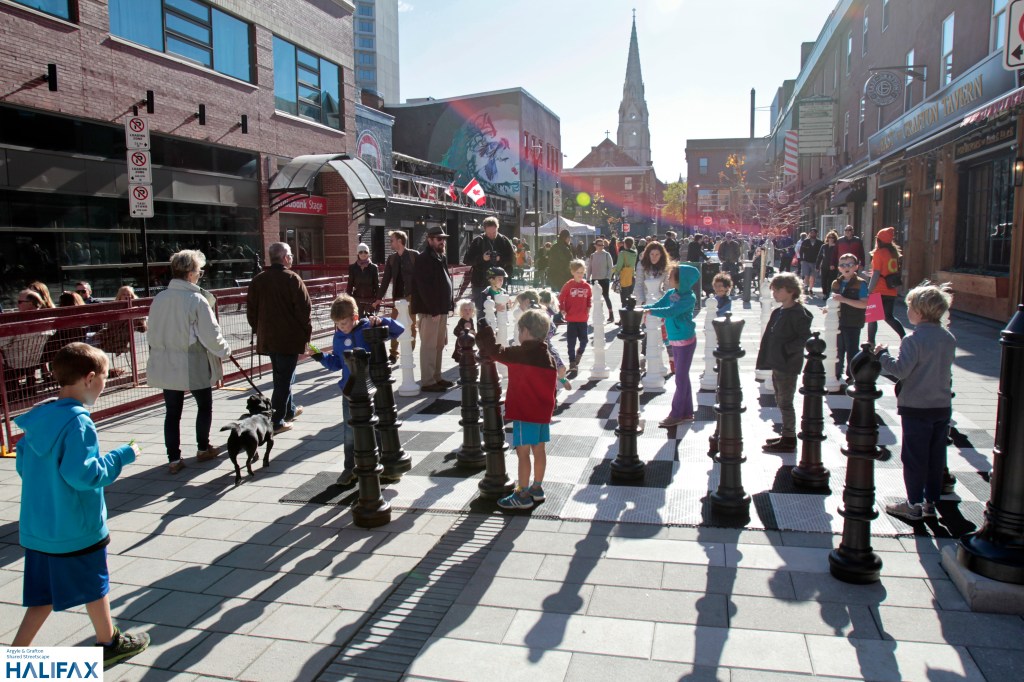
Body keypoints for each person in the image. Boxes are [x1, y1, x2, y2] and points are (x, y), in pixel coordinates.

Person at [12, 342, 150, 668]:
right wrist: (122, 456)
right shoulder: (78, 423)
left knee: (43, 594)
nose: (103, 384)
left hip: (39, 528)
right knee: (94, 584)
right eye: (104, 377)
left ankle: (16, 653)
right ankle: (109, 642)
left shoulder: (38, 419)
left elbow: (23, 467)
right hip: (76, 527)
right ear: (89, 378)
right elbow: (84, 475)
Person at [148, 250, 232, 474]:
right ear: (191, 273)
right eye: (199, 271)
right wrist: (225, 351)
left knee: (172, 411)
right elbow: (210, 335)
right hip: (192, 359)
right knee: (204, 405)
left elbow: (151, 331)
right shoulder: (196, 300)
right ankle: (203, 448)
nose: (200, 275)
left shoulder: (160, 298)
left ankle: (174, 459)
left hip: (166, 358)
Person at [878, 283, 956, 522]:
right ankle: (930, 503)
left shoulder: (913, 339)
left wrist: (882, 356)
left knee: (914, 458)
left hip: (916, 407)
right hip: (941, 406)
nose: (907, 311)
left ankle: (913, 504)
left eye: (909, 307)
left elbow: (901, 370)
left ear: (920, 312)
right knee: (935, 457)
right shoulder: (948, 338)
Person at [309, 294, 404, 484]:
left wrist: (381, 321)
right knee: (350, 431)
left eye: (344, 323)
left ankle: (382, 465)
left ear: (354, 317)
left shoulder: (368, 327)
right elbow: (336, 364)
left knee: (377, 427)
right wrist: (320, 357)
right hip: (350, 390)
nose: (341, 327)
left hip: (372, 388)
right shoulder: (338, 336)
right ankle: (350, 468)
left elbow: (398, 329)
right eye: (337, 324)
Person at [476, 310, 557, 510]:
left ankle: (522, 494)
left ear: (526, 331)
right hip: (542, 413)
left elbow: (495, 352)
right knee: (539, 450)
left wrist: (485, 330)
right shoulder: (548, 356)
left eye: (519, 331)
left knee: (523, 453)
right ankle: (537, 488)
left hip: (524, 412)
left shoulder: (521, 354)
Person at [247, 242, 312, 433]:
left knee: (282, 375)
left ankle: (289, 410)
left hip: (269, 339)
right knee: (283, 380)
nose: (292, 257)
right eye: (290, 254)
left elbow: (251, 312)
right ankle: (276, 421)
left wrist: (259, 330)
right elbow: (304, 311)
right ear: (285, 258)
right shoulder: (292, 279)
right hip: (288, 339)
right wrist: (306, 335)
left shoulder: (259, 280)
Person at [756, 273, 813, 453]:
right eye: (773, 290)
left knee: (786, 402)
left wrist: (786, 350)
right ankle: (786, 434)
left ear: (790, 291)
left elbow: (804, 337)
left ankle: (789, 438)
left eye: (777, 290)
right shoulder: (779, 311)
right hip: (778, 362)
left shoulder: (798, 313)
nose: (774, 293)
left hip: (788, 364)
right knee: (780, 400)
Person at [643, 263, 700, 427]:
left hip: (685, 341)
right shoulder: (671, 293)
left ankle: (676, 414)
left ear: (682, 280)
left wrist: (650, 311)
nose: (668, 277)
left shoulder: (689, 298)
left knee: (680, 378)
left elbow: (671, 311)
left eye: (672, 275)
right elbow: (659, 305)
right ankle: (686, 412)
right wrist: (643, 308)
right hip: (675, 339)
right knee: (683, 377)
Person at [412, 225, 454, 391]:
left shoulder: (440, 257)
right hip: (430, 311)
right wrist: (434, 309)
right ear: (429, 240)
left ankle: (436, 376)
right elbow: (423, 288)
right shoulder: (423, 259)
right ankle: (428, 381)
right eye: (439, 239)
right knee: (429, 346)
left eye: (443, 239)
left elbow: (445, 281)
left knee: (439, 345)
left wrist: (449, 304)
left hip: (441, 309)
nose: (442, 242)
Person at [1, 290, 55, 402]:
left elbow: (2, 343)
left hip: (13, 362)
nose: (17, 305)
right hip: (33, 360)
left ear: (30, 303)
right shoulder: (47, 321)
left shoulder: (19, 323)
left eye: (20, 302)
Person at [375, 230, 419, 365]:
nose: (390, 243)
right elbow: (386, 279)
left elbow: (422, 276)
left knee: (411, 325)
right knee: (394, 324)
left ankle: (409, 351)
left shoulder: (414, 255)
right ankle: (393, 354)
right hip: (397, 298)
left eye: (392, 240)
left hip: (411, 296)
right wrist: (379, 298)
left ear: (399, 241)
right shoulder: (391, 258)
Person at [515, 290, 569, 390]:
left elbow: (552, 329)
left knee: (561, 368)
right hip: (531, 349)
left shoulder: (541, 312)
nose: (519, 306)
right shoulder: (523, 314)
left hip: (546, 345)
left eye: (520, 303)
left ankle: (561, 378)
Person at [829, 254, 869, 384]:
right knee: (837, 350)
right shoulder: (836, 283)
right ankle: (836, 373)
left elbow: (864, 303)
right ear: (839, 268)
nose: (846, 267)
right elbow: (832, 300)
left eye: (850, 264)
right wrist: (828, 308)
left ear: (856, 267)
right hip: (838, 321)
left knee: (852, 350)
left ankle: (852, 375)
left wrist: (844, 300)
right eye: (843, 265)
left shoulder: (860, 283)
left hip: (853, 322)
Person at [866, 226, 907, 346]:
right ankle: (904, 337)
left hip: (878, 288)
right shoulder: (893, 253)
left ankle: (870, 342)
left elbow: (877, 273)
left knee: (872, 318)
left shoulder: (879, 253)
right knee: (889, 317)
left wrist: (869, 290)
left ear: (879, 240)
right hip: (891, 289)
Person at [465, 216, 515, 314]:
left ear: (498, 228)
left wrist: (500, 258)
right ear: (484, 230)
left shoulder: (504, 240)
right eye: (489, 233)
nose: (492, 235)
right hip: (480, 283)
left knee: (499, 313)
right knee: (482, 313)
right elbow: (467, 260)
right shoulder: (478, 241)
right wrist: (482, 258)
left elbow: (513, 260)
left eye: (494, 233)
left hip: (498, 283)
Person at [95, 286, 148, 378]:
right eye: (124, 294)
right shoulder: (114, 308)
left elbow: (143, 329)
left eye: (129, 294)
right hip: (110, 336)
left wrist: (139, 317)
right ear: (119, 296)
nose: (127, 296)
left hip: (118, 340)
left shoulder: (136, 309)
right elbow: (110, 326)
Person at [559, 260, 592, 373]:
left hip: (583, 318)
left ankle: (579, 353)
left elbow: (589, 298)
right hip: (572, 318)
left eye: (582, 272)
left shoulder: (586, 286)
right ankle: (572, 362)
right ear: (572, 272)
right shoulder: (568, 285)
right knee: (571, 342)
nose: (580, 274)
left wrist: (588, 306)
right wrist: (562, 309)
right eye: (578, 272)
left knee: (584, 341)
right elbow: (561, 297)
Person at [347, 242, 380, 318]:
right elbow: (350, 285)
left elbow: (376, 285)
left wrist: (377, 299)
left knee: (370, 321)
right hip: (357, 300)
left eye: (365, 252)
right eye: (361, 252)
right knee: (357, 321)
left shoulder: (374, 268)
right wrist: (349, 299)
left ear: (368, 253)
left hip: (370, 301)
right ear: (358, 254)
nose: (363, 254)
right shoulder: (352, 268)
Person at [587, 238, 615, 324]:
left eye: (602, 245)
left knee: (606, 297)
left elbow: (610, 267)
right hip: (595, 280)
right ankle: (599, 314)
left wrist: (608, 277)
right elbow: (589, 267)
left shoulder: (607, 255)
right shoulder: (592, 255)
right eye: (599, 245)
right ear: (595, 245)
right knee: (597, 298)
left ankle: (611, 314)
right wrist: (588, 278)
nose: (601, 246)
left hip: (604, 279)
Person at [612, 236, 638, 308]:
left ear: (625, 244)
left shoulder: (622, 253)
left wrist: (615, 273)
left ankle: (624, 313)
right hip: (632, 276)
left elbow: (619, 266)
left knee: (624, 299)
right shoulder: (635, 253)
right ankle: (630, 312)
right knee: (630, 297)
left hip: (624, 277)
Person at [798, 228, 823, 297]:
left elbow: (822, 253)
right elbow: (801, 251)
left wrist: (820, 262)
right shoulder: (805, 241)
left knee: (813, 276)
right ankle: (806, 288)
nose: (812, 234)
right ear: (809, 233)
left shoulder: (820, 243)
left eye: (814, 233)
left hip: (815, 262)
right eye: (811, 232)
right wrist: (801, 260)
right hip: (806, 261)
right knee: (806, 275)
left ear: (816, 233)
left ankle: (811, 289)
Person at [451, 299, 475, 364]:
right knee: (461, 354)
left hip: (469, 341)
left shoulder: (471, 320)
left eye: (470, 310)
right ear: (461, 311)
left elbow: (473, 329)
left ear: (472, 311)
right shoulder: (462, 321)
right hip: (462, 342)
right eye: (465, 310)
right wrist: (462, 333)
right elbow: (455, 331)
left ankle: (467, 360)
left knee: (469, 352)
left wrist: (474, 333)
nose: (468, 312)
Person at [817, 230, 839, 300]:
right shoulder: (824, 246)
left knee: (830, 281)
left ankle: (829, 294)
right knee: (823, 281)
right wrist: (817, 266)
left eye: (832, 237)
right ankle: (825, 293)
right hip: (824, 266)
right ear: (827, 238)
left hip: (833, 267)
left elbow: (838, 257)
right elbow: (820, 256)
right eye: (829, 237)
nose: (831, 239)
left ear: (835, 239)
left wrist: (835, 265)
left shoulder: (836, 247)